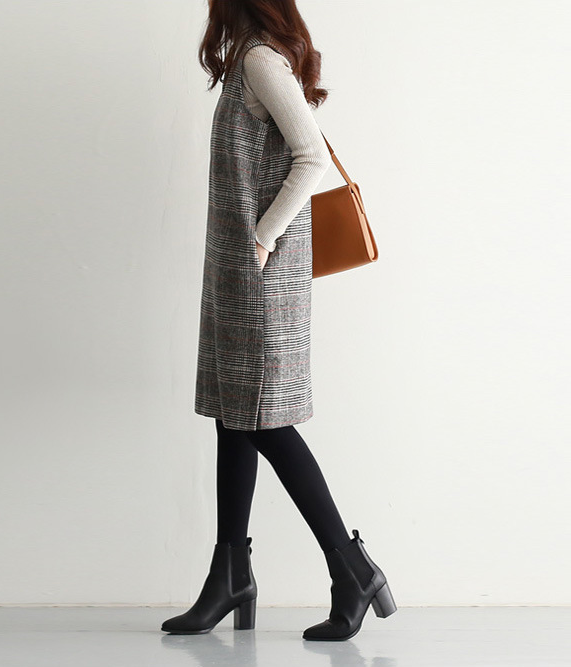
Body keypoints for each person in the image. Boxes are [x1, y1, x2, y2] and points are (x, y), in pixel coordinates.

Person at [161, 0, 396, 641]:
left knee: (265, 419)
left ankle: (351, 569)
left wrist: (262, 240)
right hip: (236, 273)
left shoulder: (262, 61)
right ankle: (230, 576)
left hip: (260, 274)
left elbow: (311, 156)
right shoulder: (249, 59)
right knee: (235, 414)